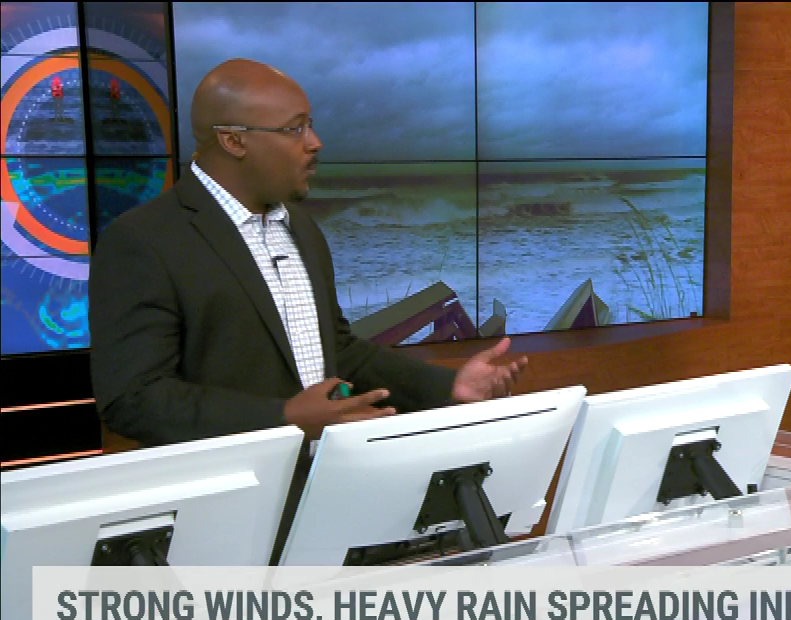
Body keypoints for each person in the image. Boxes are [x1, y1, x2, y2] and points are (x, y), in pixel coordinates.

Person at [89, 58, 527, 561]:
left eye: (310, 125)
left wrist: (447, 386)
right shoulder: (143, 240)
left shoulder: (300, 228)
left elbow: (337, 350)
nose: (314, 142)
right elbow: (134, 398)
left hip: (329, 501)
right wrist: (283, 418)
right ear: (233, 140)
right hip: (227, 525)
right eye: (294, 128)